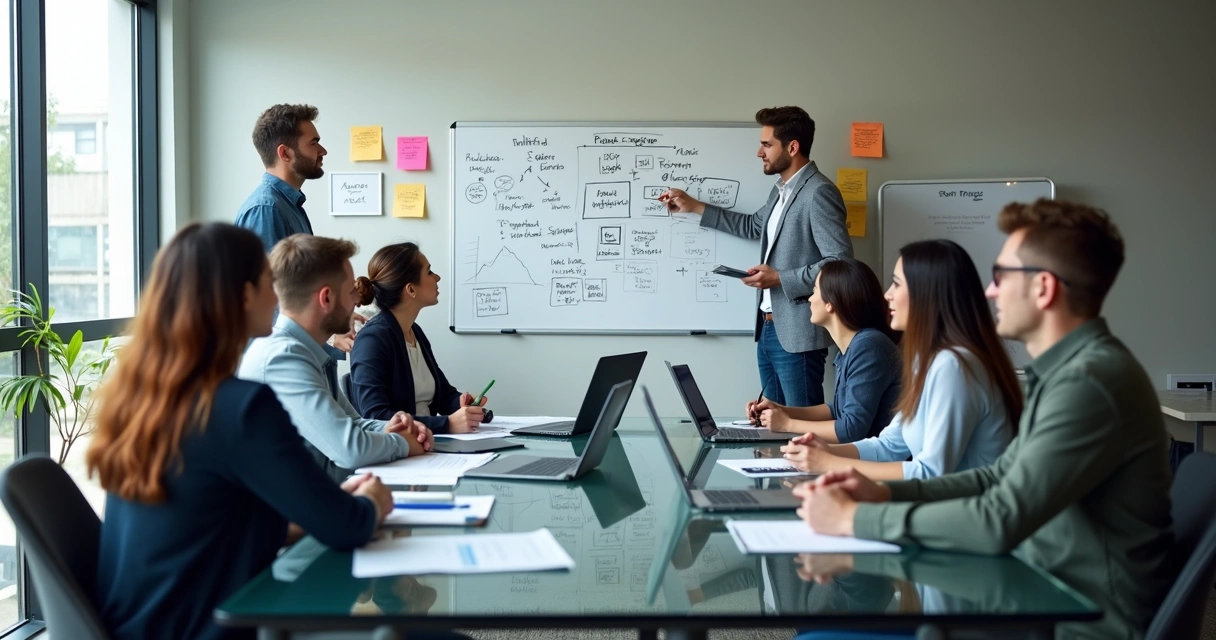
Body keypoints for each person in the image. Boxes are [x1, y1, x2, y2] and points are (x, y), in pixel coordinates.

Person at [796, 199, 1173, 640]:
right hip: (1035, 591)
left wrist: (854, 520)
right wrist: (881, 493)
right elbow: (995, 477)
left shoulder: (1089, 384)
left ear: (1044, 288)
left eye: (1001, 276)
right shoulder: (1068, 373)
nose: (990, 291)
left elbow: (999, 519)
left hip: (1076, 619)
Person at [87, 223, 392, 640]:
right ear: (245, 295)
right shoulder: (241, 407)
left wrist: (327, 507)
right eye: (269, 282)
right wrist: (373, 501)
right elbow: (348, 529)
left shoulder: (141, 401)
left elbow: (209, 526)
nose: (278, 296)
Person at [781, 240, 1021, 481]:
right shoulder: (926, 360)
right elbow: (889, 445)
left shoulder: (953, 365)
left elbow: (932, 472)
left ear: (926, 292)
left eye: (896, 284)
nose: (888, 295)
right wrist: (826, 452)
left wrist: (831, 463)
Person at [660, 106, 852, 407]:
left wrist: (780, 278)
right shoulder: (780, 191)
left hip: (797, 333)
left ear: (792, 147)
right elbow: (753, 225)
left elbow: (840, 264)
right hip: (767, 328)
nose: (759, 152)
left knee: (800, 430)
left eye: (766, 144)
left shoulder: (819, 192)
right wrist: (694, 206)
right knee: (772, 426)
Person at [239, 234, 432, 481]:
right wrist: (402, 444)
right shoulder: (284, 359)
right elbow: (350, 449)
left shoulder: (307, 351)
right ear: (326, 298)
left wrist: (395, 428)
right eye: (352, 291)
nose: (357, 301)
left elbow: (354, 424)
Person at [235, 103, 359, 354]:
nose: (323, 150)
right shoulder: (267, 210)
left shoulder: (288, 205)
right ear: (285, 153)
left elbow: (299, 291)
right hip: (282, 364)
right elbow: (274, 302)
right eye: (313, 143)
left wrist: (334, 321)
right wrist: (328, 341)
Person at [750, 257, 901, 443]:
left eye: (814, 291)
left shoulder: (868, 347)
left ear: (831, 303)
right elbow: (836, 410)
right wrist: (781, 410)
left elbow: (850, 429)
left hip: (879, 464)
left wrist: (787, 424)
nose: (810, 299)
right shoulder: (854, 346)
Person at [349, 242, 486, 433]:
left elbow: (443, 396)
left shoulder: (415, 332)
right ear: (411, 290)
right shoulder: (371, 340)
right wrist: (447, 424)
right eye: (429, 272)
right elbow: (375, 417)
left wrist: (463, 405)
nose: (437, 277)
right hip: (402, 451)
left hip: (430, 445)